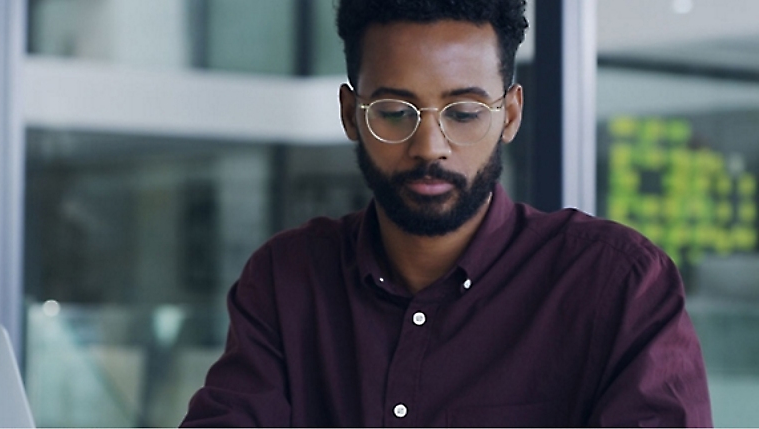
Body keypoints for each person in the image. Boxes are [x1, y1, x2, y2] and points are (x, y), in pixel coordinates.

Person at [180, 0, 712, 426]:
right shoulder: (287, 279)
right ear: (350, 114)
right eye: (394, 112)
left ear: (510, 114)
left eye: (463, 113)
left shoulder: (615, 284)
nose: (430, 146)